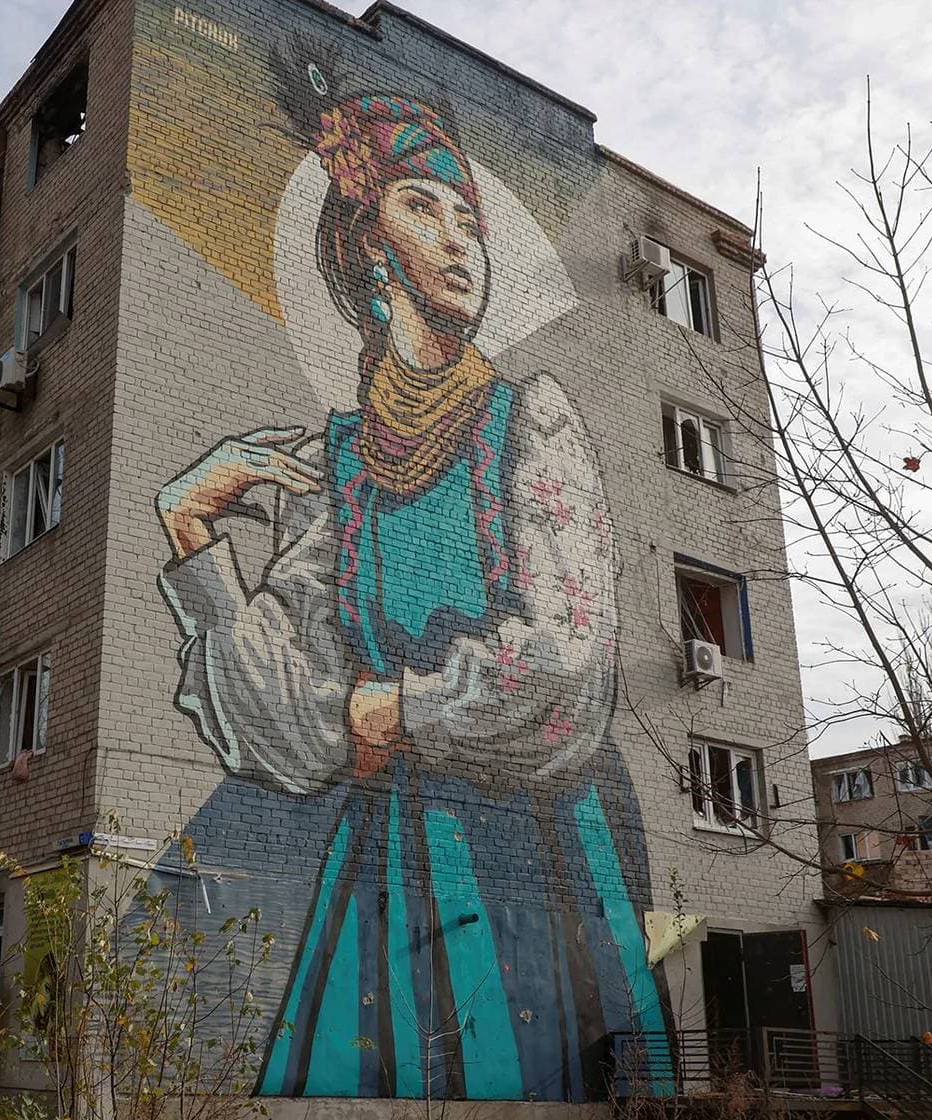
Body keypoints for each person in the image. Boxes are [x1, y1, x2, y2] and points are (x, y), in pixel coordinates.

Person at [151, 74, 665, 1100]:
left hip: (539, 845)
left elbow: (568, 667)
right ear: (366, 246)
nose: (462, 239)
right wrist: (194, 533)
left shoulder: (533, 423)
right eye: (425, 208)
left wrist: (401, 705)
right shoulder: (330, 468)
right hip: (383, 865)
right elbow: (288, 730)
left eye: (470, 216)